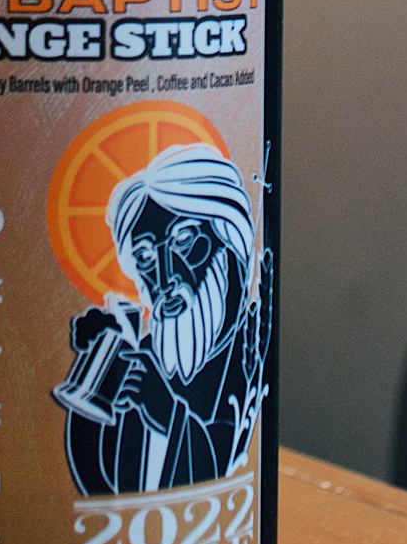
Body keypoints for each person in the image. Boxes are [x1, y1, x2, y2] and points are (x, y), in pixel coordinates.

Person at [61, 143, 271, 496]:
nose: (164, 276)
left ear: (228, 238)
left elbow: (223, 466)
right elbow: (95, 482)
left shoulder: (251, 350)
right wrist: (96, 373)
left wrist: (166, 411)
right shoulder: (142, 356)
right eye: (144, 257)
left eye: (183, 240)